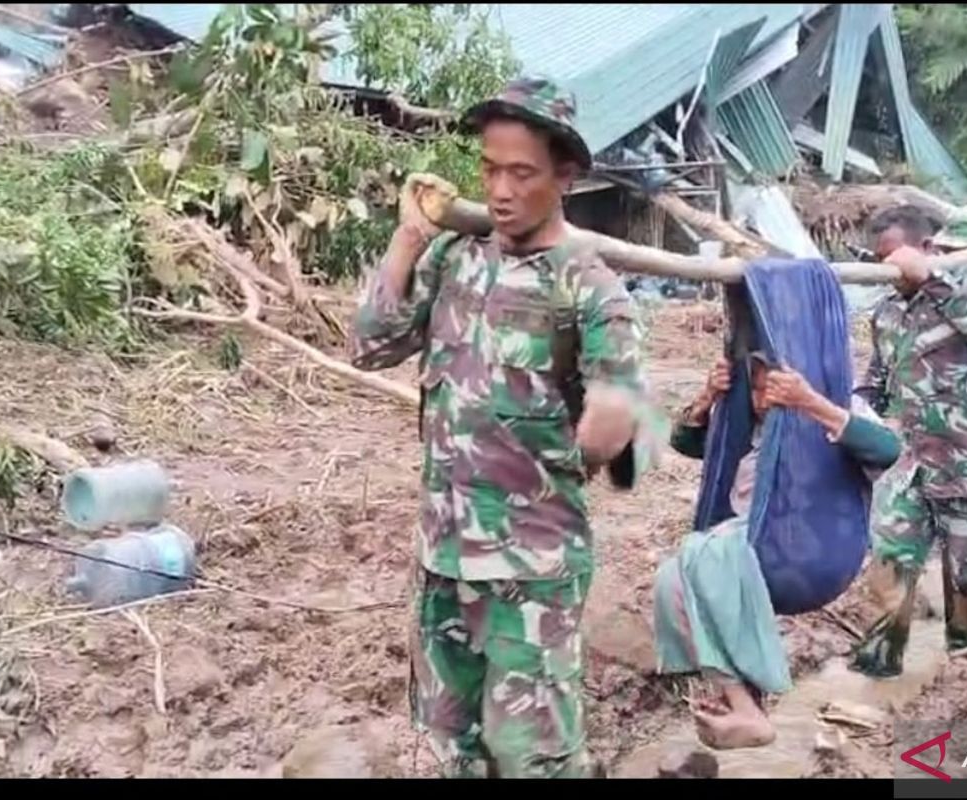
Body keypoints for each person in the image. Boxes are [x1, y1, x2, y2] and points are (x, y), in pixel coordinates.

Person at [348, 76, 665, 778]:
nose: (499, 190)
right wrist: (408, 237)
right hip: (443, 557)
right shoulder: (454, 258)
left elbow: (618, 416)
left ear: (565, 176)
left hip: (531, 572)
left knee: (534, 757)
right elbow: (369, 346)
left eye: (522, 173)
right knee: (452, 744)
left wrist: (596, 436)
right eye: (490, 169)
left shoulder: (590, 288)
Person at [653, 352, 900, 749]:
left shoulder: (836, 402)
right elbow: (689, 443)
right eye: (755, 389)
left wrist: (809, 402)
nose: (764, 399)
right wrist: (707, 398)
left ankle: (748, 702)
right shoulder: (744, 421)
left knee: (707, 552)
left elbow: (888, 449)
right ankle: (739, 699)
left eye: (771, 387)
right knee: (672, 579)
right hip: (748, 537)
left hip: (808, 544)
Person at [851, 204, 967, 678]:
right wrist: (856, 405)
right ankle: (879, 660)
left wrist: (930, 276)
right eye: (878, 259)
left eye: (892, 257)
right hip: (915, 462)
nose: (887, 269)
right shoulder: (888, 311)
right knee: (890, 552)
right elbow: (879, 377)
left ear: (925, 247)